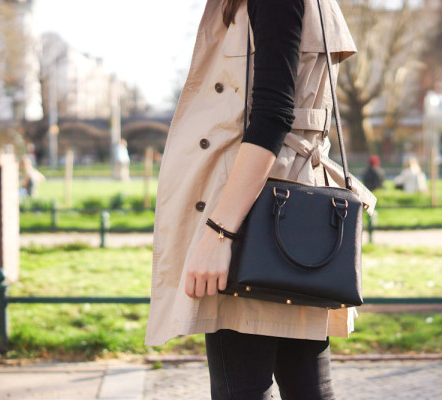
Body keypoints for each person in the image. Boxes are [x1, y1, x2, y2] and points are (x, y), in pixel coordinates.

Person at [145, 1, 375, 399]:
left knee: (245, 388)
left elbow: (273, 114)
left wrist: (219, 233)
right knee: (307, 386)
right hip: (289, 211)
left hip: (254, 213)